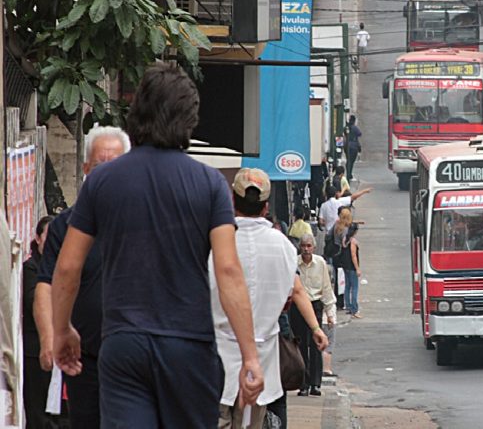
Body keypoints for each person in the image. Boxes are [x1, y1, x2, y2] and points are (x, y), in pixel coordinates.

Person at [50, 63, 264, 427]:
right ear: (189, 119)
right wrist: (250, 356)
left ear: (137, 113)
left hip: (122, 344)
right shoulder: (210, 185)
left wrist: (62, 329)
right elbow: (228, 270)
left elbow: (68, 266)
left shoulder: (102, 181)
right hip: (188, 346)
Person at [211, 168, 328, 428]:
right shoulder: (284, 247)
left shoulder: (216, 242)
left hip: (218, 361)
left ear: (232, 201)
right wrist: (316, 328)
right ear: (265, 207)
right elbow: (296, 290)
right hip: (261, 364)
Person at [35, 126, 131, 428]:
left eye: (116, 166)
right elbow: (46, 284)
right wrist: (49, 338)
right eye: (100, 167)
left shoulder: (143, 220)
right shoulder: (66, 226)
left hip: (133, 354)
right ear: (86, 168)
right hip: (83, 357)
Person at [22, 215, 60, 429]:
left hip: (58, 349)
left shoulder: (60, 267)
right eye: (49, 235)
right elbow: (32, 300)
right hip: (35, 350)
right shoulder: (31, 268)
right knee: (37, 408)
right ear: (38, 238)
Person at [293, 234, 337, 397]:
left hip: (315, 304)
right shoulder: (295, 263)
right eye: (303, 246)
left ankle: (315, 384)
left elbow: (326, 288)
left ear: (314, 247)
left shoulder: (320, 263)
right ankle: (303, 384)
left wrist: (330, 313)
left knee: (316, 345)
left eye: (309, 246)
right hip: (298, 307)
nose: (306, 249)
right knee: (301, 345)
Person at [339, 223, 363, 318]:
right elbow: (353, 256)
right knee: (354, 288)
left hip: (345, 266)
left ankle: (348, 306)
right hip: (352, 267)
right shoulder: (353, 241)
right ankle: (354, 309)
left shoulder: (345, 239)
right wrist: (357, 268)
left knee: (347, 287)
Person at [345, 115, 363, 180]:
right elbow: (360, 134)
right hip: (353, 146)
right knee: (351, 161)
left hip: (347, 145)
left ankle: (348, 174)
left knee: (348, 160)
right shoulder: (354, 128)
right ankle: (349, 174)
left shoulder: (347, 127)